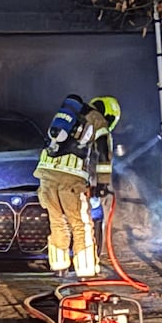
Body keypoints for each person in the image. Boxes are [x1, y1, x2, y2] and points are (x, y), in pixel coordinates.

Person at [34, 93, 118, 279]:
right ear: (109, 114)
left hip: (46, 175)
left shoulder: (69, 116)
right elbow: (104, 155)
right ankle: (86, 270)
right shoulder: (99, 121)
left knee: (57, 222)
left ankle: (59, 267)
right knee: (81, 224)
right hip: (70, 178)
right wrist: (103, 184)